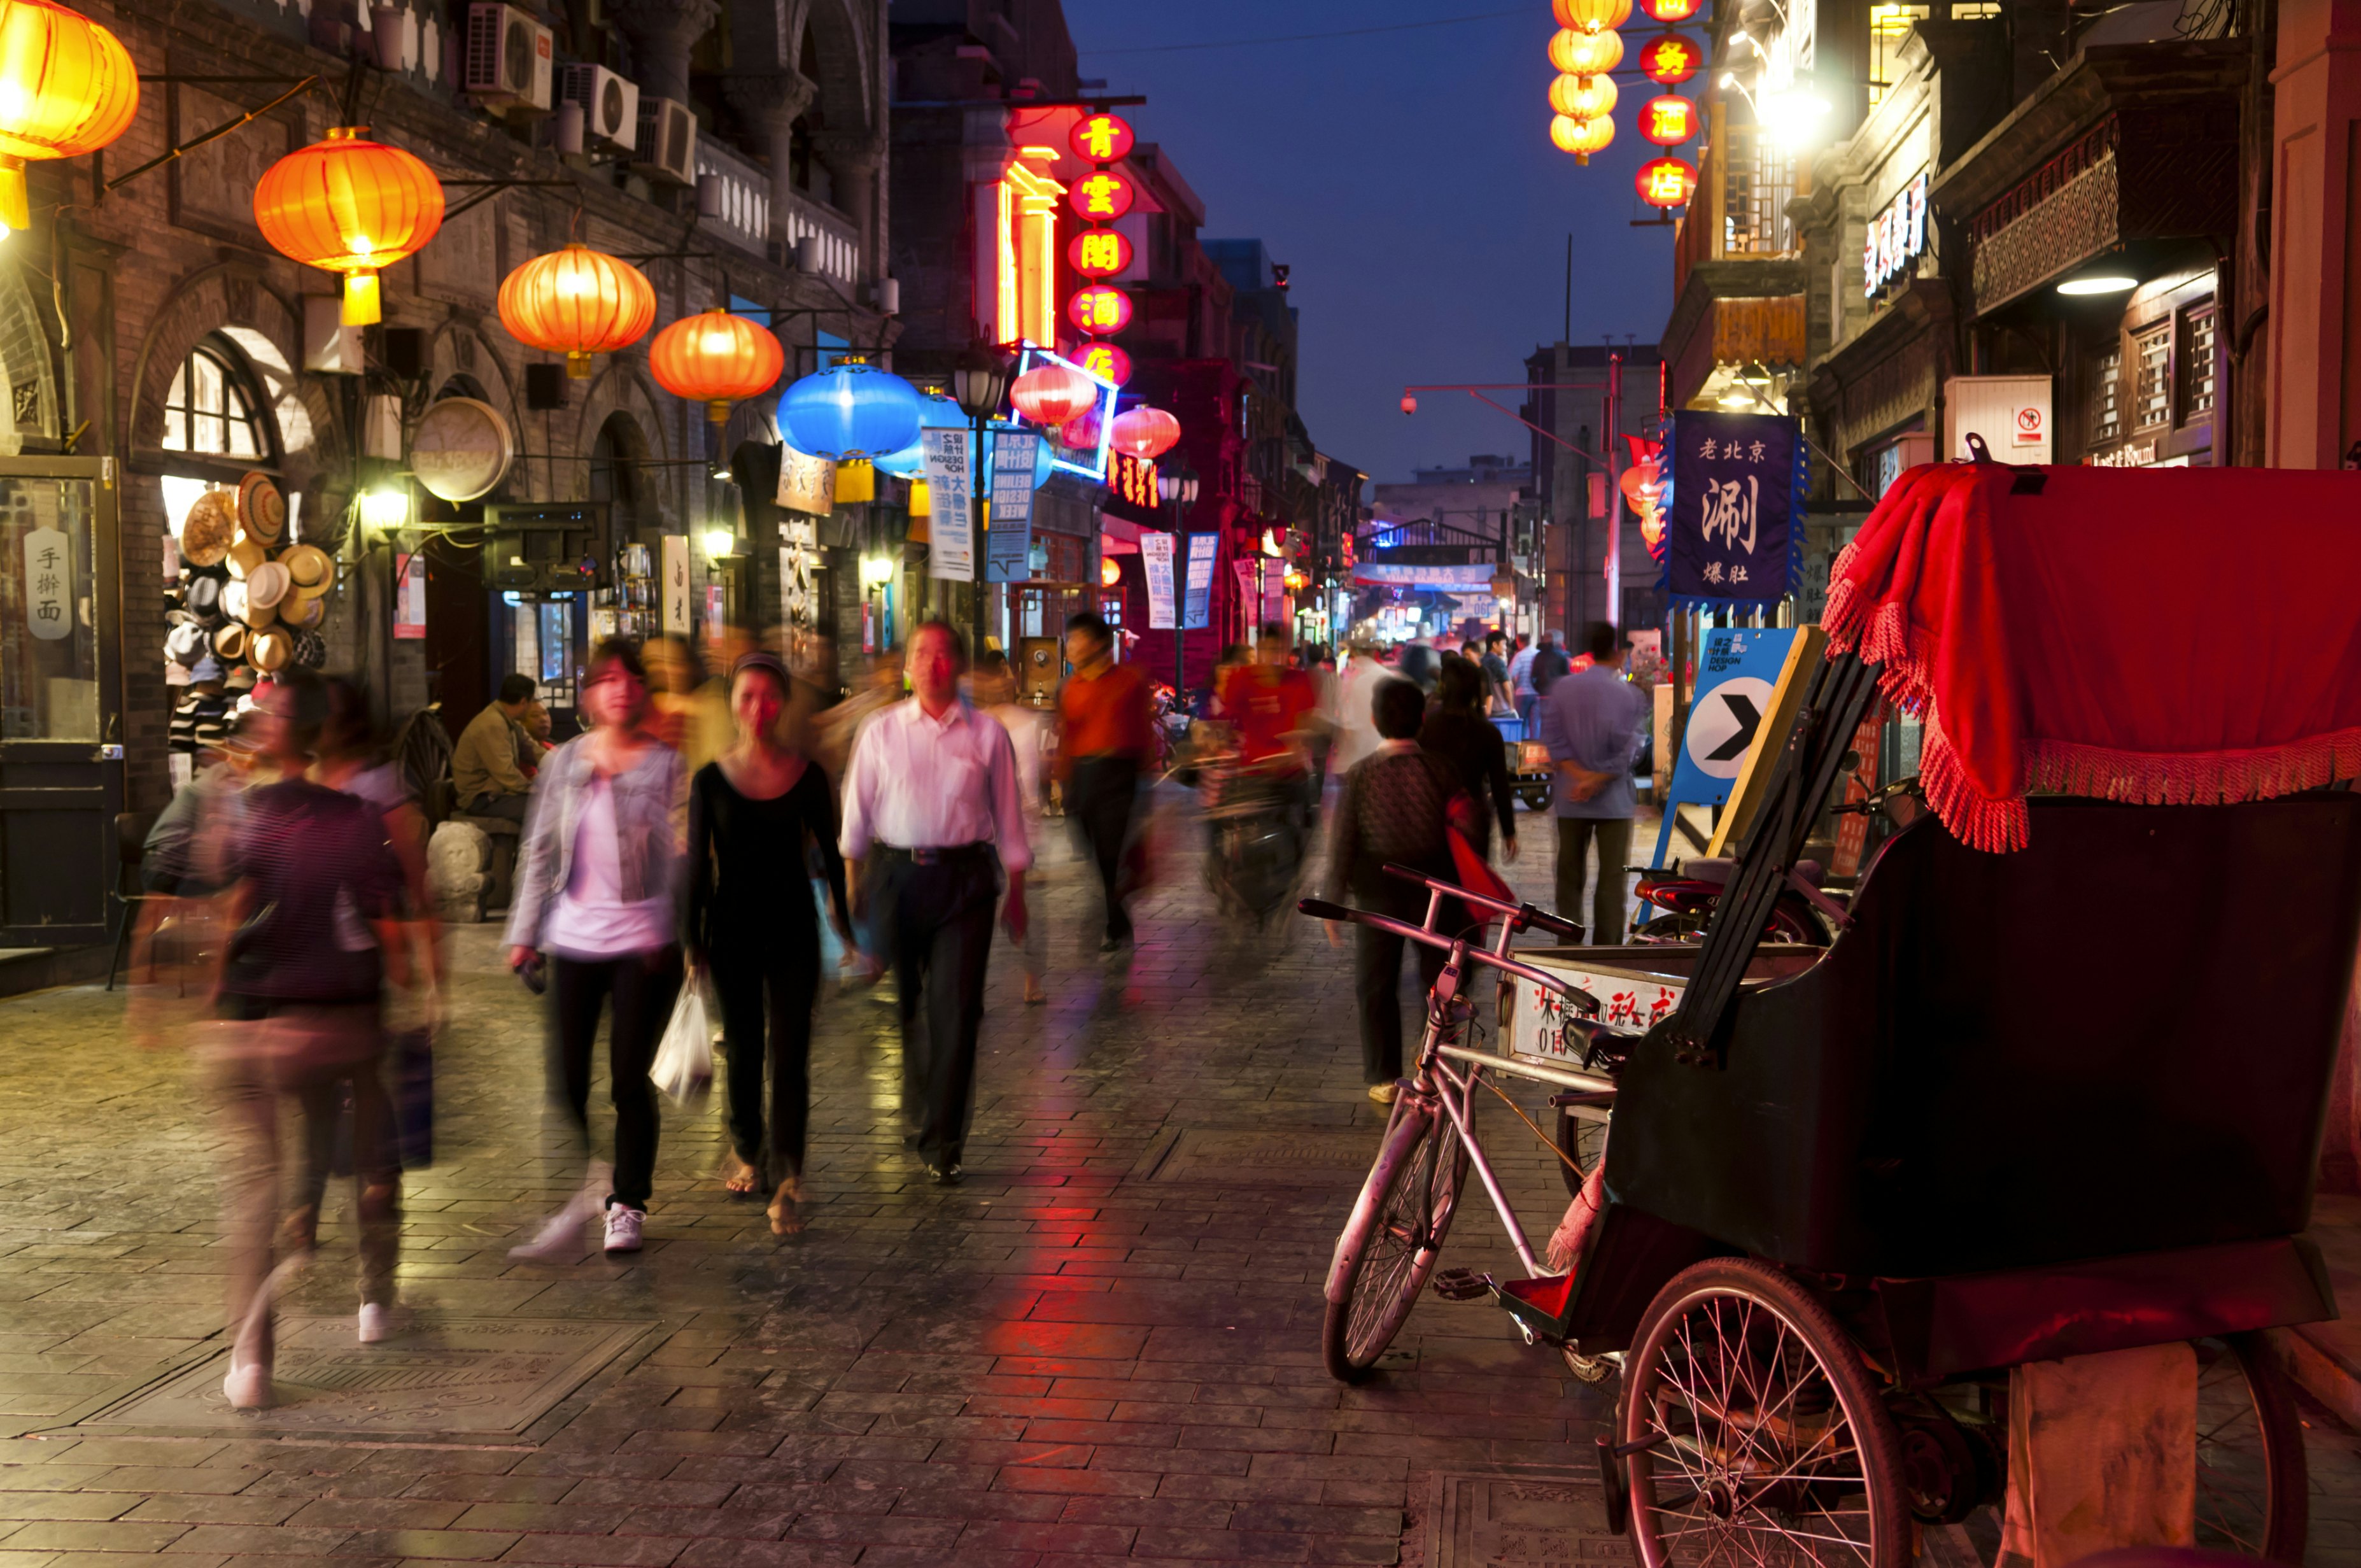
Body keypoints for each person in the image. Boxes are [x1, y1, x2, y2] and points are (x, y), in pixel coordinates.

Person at [209, 673, 408, 1408]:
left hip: (258, 1025)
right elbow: (386, 921)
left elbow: (226, 917)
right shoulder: (359, 818)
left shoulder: (247, 814)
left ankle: (253, 1361)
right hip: (342, 1020)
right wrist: (412, 987)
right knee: (372, 1144)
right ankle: (376, 1293)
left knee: (255, 1186)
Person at [505, 639, 686, 1257]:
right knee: (566, 1082)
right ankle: (592, 1180)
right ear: (589, 694)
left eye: (630, 678)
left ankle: (627, 1202)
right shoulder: (564, 764)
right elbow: (538, 852)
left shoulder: (667, 766)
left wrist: (680, 931)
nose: (619, 688)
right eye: (605, 679)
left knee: (628, 1080)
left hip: (644, 942)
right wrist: (523, 933)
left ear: (643, 691)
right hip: (574, 938)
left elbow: (684, 859)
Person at [840, 621, 1031, 1184]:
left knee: (956, 1009)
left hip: (966, 882)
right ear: (907, 664)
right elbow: (857, 811)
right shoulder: (879, 731)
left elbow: (1009, 820)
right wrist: (852, 886)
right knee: (908, 1007)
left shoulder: (988, 735)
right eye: (922, 653)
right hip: (896, 878)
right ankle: (921, 1101)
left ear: (960, 665)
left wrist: (1016, 892)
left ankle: (943, 1138)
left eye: (944, 654)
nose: (932, 664)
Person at [684, 651, 851, 1238]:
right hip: (731, 928)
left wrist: (847, 926)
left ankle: (789, 1175)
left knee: (791, 1052)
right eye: (747, 696)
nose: (758, 708)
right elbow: (697, 868)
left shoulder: (807, 776)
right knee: (746, 1049)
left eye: (769, 696)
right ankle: (748, 1147)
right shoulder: (709, 779)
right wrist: (691, 941)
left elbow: (830, 855)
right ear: (732, 704)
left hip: (792, 928)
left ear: (782, 704)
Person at [285, 678, 445, 1264]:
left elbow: (416, 887)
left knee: (364, 1077)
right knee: (313, 1088)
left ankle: (375, 1180)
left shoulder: (379, 788)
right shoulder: (296, 782)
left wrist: (431, 980)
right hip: (302, 958)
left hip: (362, 957)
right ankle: (313, 1197)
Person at [1326, 679, 1469, 1103]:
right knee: (1440, 982)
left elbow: (1344, 841)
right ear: (1421, 720)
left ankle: (1384, 1076)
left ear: (1374, 721)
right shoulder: (1443, 770)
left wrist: (1334, 899)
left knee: (1375, 983)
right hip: (1437, 891)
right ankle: (1436, 1062)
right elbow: (1469, 829)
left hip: (1378, 894)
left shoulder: (1362, 774)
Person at [1538, 621, 1649, 943]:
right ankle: (1606, 950)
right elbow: (1631, 750)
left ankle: (1568, 947)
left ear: (1587, 650)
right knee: (1612, 881)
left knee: (1569, 880)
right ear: (1617, 652)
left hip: (1571, 799)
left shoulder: (1562, 689)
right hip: (1614, 803)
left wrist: (1580, 778)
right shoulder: (1630, 695)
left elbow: (1554, 743)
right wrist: (1597, 779)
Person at [1055, 612, 1153, 952]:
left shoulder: (1129, 680)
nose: (1070, 648)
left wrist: (1147, 781)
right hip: (1081, 777)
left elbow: (1144, 731)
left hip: (1118, 775)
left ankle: (1113, 923)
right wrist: (1061, 778)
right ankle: (1117, 911)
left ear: (1097, 643)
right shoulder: (1069, 688)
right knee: (1090, 849)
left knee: (1110, 851)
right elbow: (1066, 735)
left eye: (1077, 639)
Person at [976, 651, 1051, 1004]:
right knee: (978, 908)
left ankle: (1032, 978)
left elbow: (1035, 774)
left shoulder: (1027, 722)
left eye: (1003, 677)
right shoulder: (972, 723)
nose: (999, 684)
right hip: (980, 831)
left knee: (1026, 908)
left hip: (1019, 828)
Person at [1420, 658, 1519, 863]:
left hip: (1430, 818)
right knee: (1471, 881)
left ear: (1444, 687)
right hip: (1473, 817)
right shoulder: (1488, 733)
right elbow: (1500, 784)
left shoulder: (1426, 727)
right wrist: (1508, 832)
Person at [453, 674, 539, 823]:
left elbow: (533, 750)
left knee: (552, 803)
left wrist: (561, 763)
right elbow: (506, 773)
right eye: (532, 702)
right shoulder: (493, 723)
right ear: (524, 702)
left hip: (498, 793)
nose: (532, 706)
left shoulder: (510, 722)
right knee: (544, 809)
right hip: (481, 798)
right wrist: (534, 789)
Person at [1530, 630, 1572, 703]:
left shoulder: (1538, 656)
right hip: (1558, 694)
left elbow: (1533, 677)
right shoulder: (1562, 656)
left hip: (1542, 693)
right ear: (1559, 641)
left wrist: (1539, 689)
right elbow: (1567, 676)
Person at [1481, 632, 1515, 716]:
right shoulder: (1498, 662)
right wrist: (1511, 707)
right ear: (1495, 644)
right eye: (1504, 644)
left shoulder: (1482, 661)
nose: (1505, 648)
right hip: (1501, 710)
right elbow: (1506, 686)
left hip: (1487, 709)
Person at [1509, 634, 1540, 726]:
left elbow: (1510, 673)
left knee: (1522, 722)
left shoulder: (1520, 656)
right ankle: (1535, 740)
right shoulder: (1538, 653)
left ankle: (1522, 741)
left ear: (1519, 642)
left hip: (1522, 693)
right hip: (1537, 693)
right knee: (1535, 724)